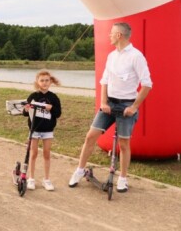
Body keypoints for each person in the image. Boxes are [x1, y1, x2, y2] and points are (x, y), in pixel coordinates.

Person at [68, 22, 152, 193]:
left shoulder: (136, 56)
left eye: (112, 33)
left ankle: (123, 178)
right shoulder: (111, 56)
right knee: (90, 136)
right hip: (109, 104)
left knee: (124, 143)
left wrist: (134, 107)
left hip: (127, 105)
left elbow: (147, 84)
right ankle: (79, 170)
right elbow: (104, 81)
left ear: (119, 35)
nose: (109, 36)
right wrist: (103, 102)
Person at [22, 70, 61, 191]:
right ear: (37, 82)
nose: (44, 83)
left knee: (46, 154)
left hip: (48, 130)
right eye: (42, 80)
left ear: (51, 82)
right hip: (34, 129)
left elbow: (58, 113)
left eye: (47, 80)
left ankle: (46, 179)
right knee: (33, 154)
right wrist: (26, 109)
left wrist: (51, 108)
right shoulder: (33, 96)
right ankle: (31, 178)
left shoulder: (53, 97)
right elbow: (25, 113)